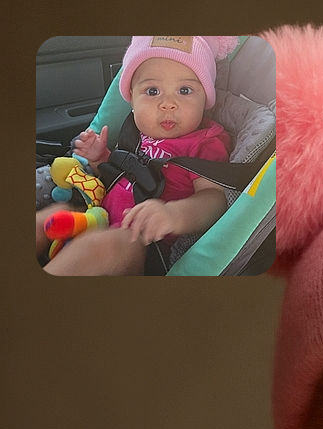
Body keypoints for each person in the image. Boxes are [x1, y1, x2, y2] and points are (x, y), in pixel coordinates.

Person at [37, 36, 236, 275]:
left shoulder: (204, 143)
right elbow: (121, 176)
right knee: (51, 215)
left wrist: (173, 215)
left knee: (103, 247)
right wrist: (100, 159)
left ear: (205, 98)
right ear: (132, 98)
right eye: (152, 91)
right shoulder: (136, 132)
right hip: (99, 215)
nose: (168, 104)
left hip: (143, 242)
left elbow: (214, 199)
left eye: (185, 90)